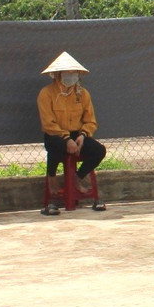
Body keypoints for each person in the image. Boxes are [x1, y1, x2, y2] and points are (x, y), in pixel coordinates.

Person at [37, 51, 107, 212]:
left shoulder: (83, 94)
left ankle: (78, 177)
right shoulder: (46, 93)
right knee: (56, 146)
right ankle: (52, 179)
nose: (71, 75)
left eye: (74, 72)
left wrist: (83, 134)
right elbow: (48, 123)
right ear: (57, 75)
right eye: (67, 73)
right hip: (55, 134)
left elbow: (91, 121)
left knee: (99, 150)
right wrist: (66, 138)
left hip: (78, 135)